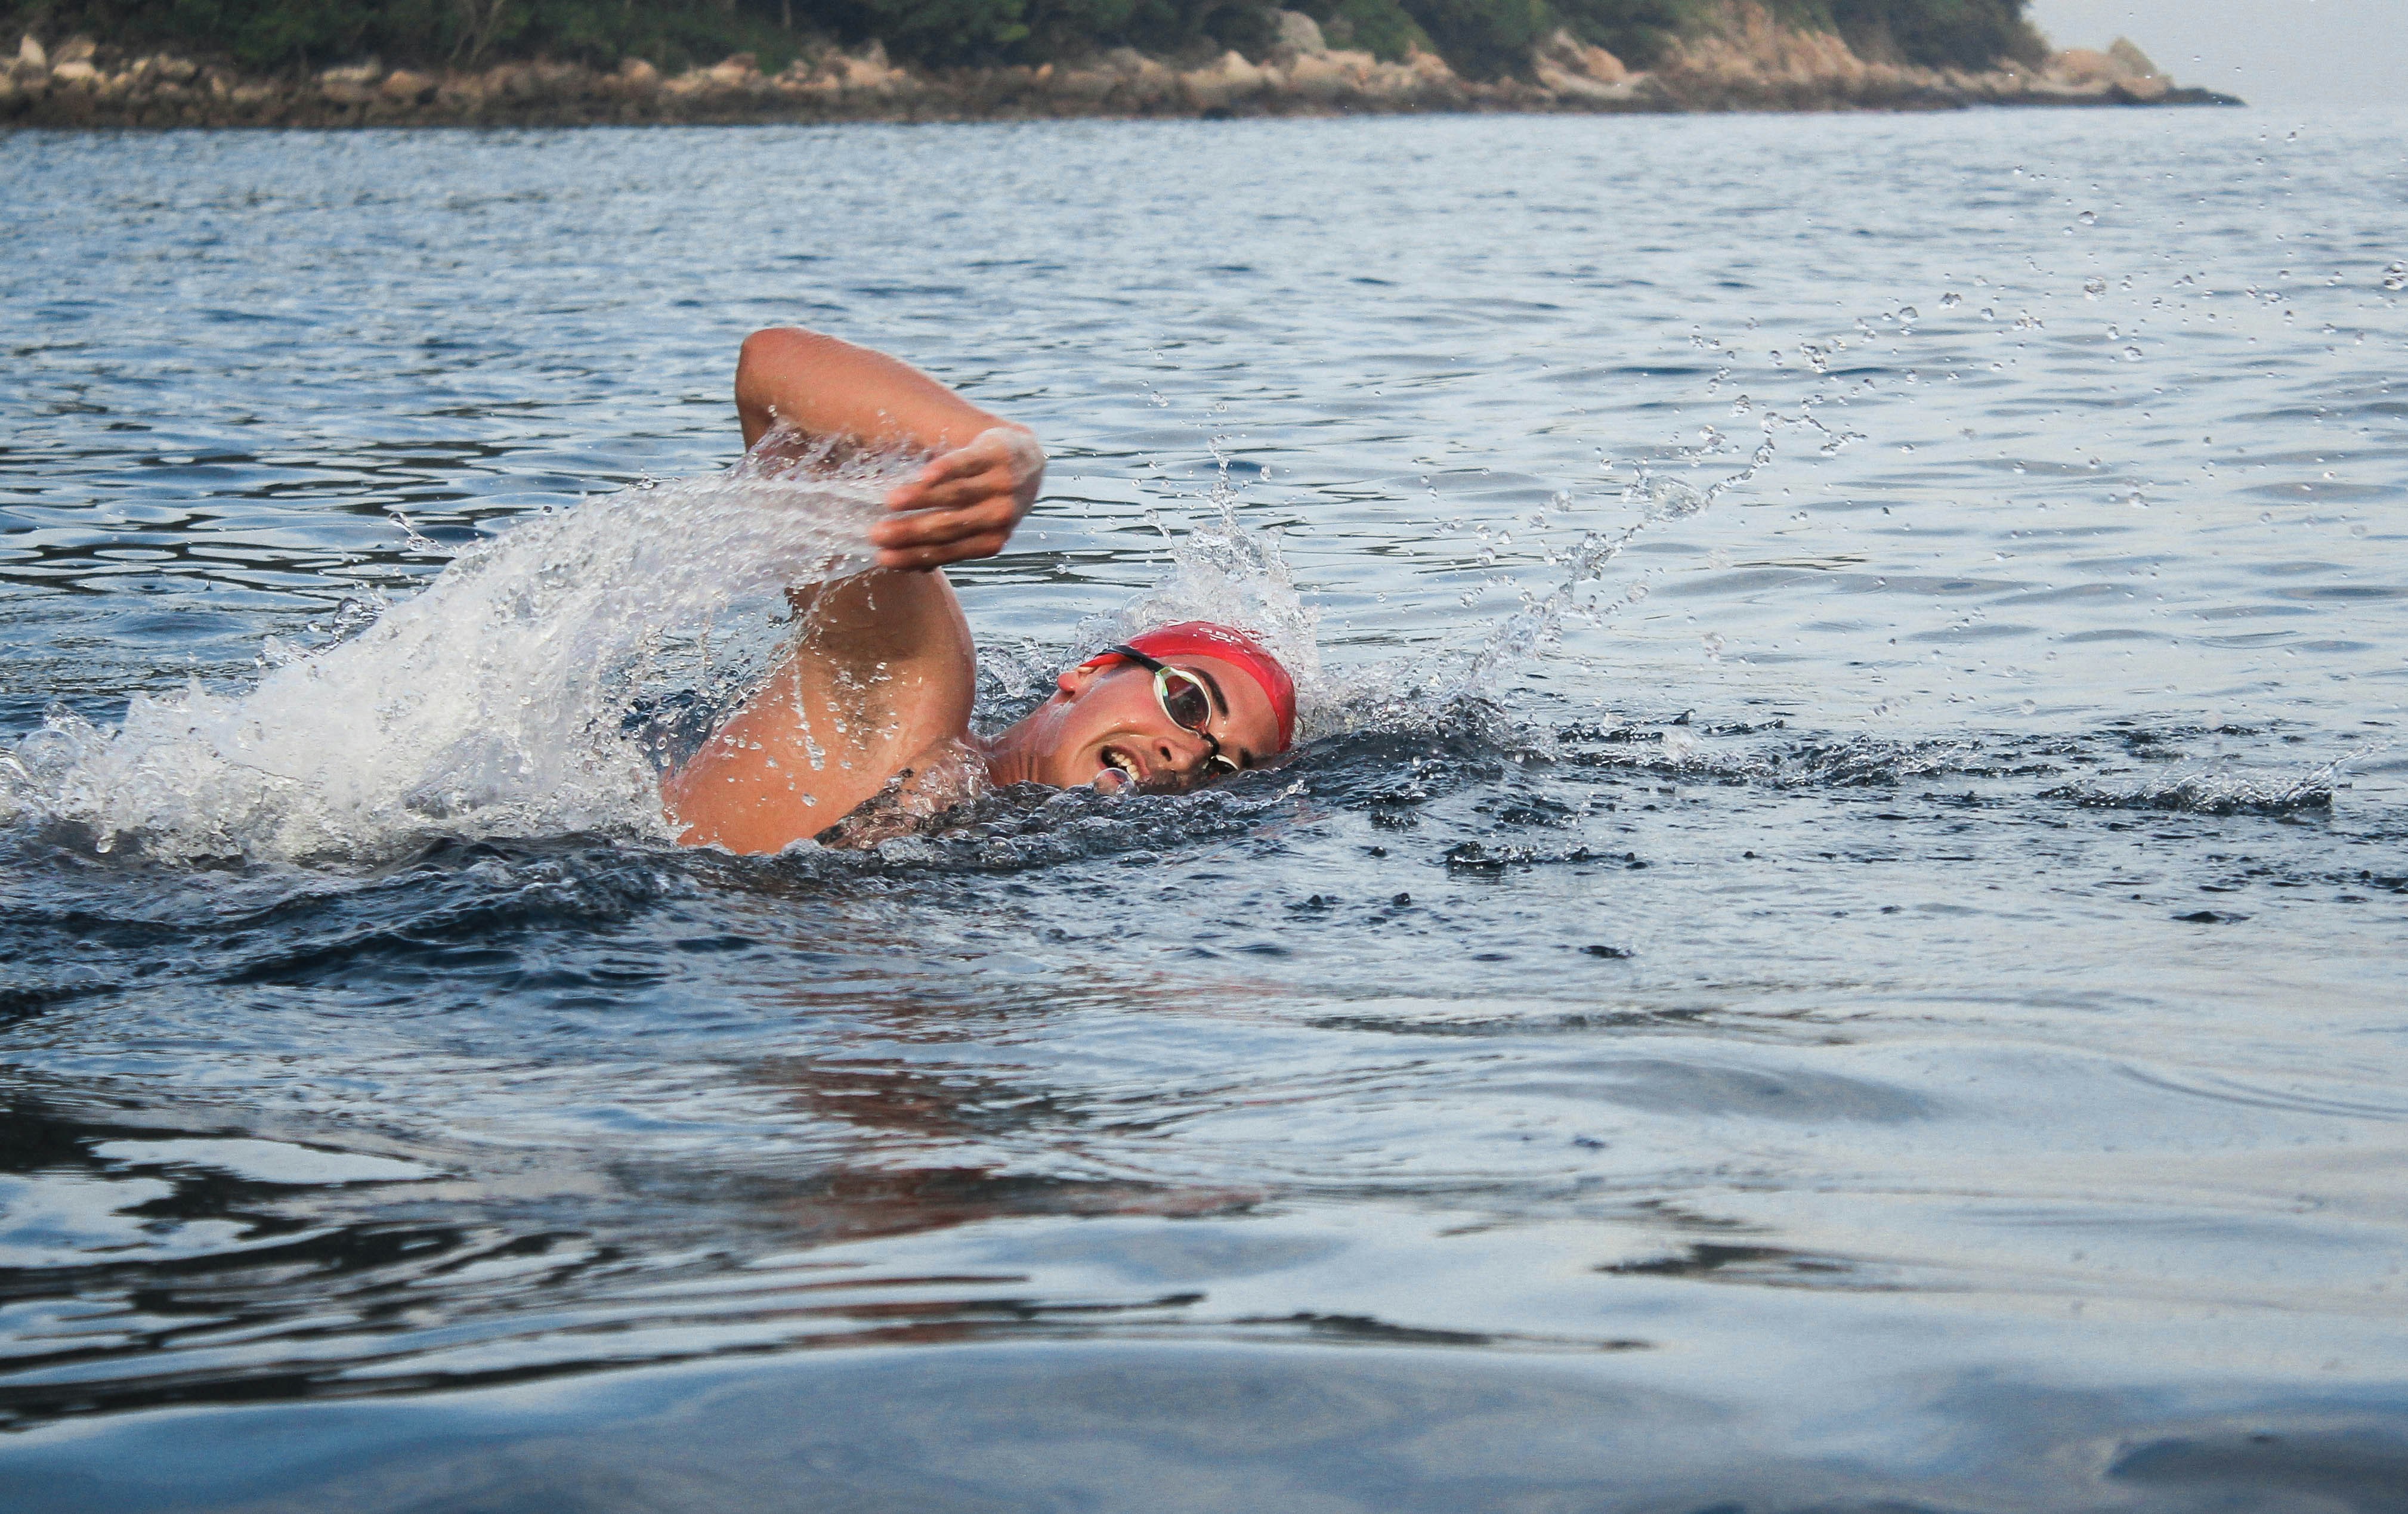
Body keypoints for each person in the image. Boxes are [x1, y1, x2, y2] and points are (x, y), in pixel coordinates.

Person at [663, 328, 1297, 854]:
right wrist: (991, 443)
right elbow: (769, 371)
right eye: (1187, 703)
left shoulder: (1007, 851)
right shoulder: (912, 698)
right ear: (1089, 671)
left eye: (1222, 767)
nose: (1185, 754)